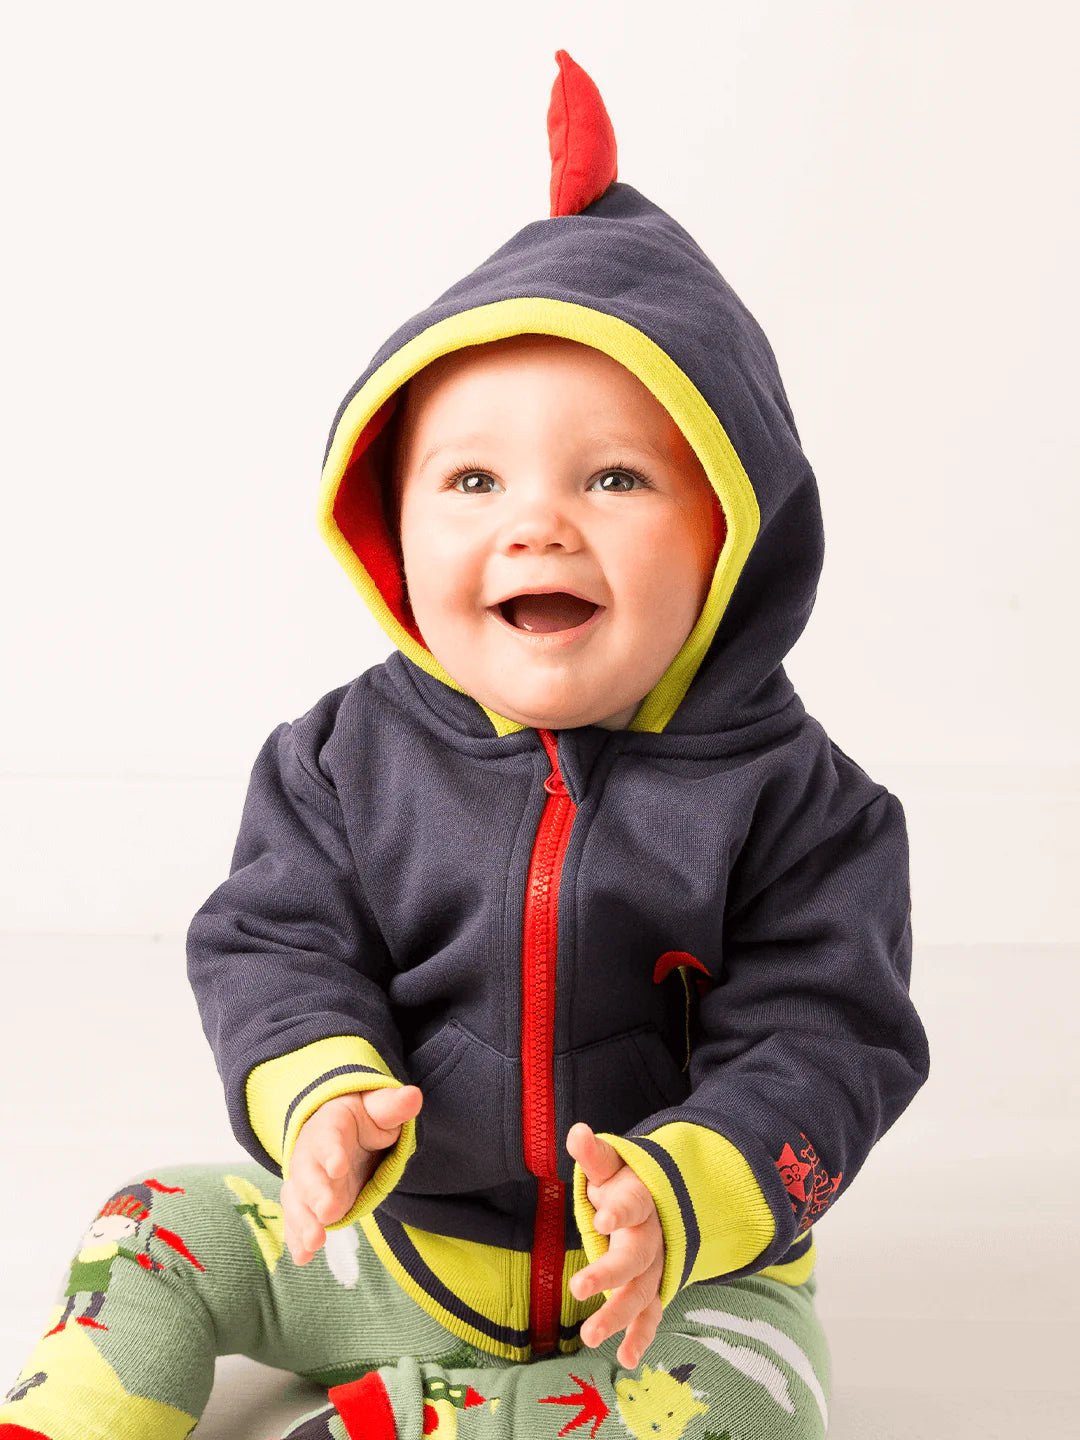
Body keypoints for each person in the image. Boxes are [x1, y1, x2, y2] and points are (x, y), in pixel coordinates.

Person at [0, 49, 929, 1440]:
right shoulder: (338, 764)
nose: (534, 523)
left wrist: (681, 1191)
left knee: (738, 1408)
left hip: (669, 1284)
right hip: (398, 1245)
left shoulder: (808, 811)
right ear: (392, 521)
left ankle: (458, 1417)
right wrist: (325, 1098)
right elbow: (274, 947)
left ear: (731, 528)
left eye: (614, 477)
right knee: (155, 1223)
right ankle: (80, 1416)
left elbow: (830, 1038)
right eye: (472, 478)